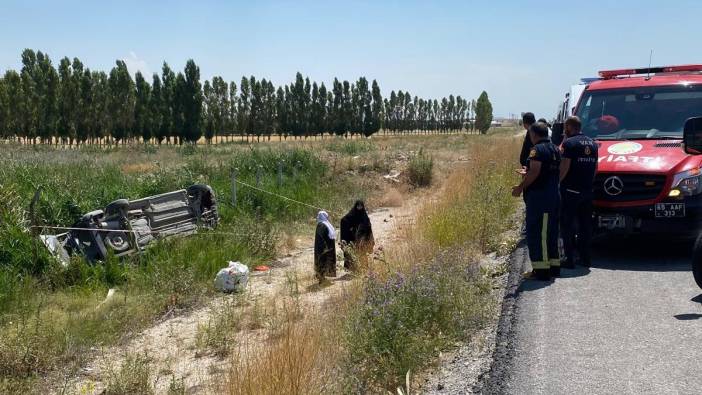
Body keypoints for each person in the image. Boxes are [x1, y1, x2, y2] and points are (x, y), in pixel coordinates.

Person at [512, 122, 561, 280]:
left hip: (540, 198)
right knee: (551, 232)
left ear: (534, 135)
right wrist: (529, 170)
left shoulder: (536, 150)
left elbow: (535, 172)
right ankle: (553, 267)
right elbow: (546, 170)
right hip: (553, 196)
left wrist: (520, 187)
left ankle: (541, 271)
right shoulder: (555, 148)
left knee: (538, 234)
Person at [559, 116, 598, 268]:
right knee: (585, 226)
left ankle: (569, 259)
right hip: (587, 191)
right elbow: (596, 168)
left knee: (567, 225)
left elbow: (565, 167)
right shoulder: (593, 144)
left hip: (570, 191)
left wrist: (557, 182)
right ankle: (585, 258)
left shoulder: (569, 144)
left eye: (565, 127)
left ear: (569, 127)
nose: (564, 130)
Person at [340, 200, 375, 271]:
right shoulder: (351, 215)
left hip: (362, 239)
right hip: (353, 239)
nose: (359, 207)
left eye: (361, 206)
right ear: (356, 206)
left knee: (362, 254)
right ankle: (354, 269)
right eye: (358, 206)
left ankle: (364, 269)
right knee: (353, 253)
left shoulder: (365, 217)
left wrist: (369, 239)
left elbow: (369, 228)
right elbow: (344, 220)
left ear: (363, 206)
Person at [314, 210, 337, 283]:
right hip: (324, 248)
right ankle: (321, 278)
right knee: (323, 261)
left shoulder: (324, 224)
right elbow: (320, 238)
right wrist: (324, 248)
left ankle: (323, 277)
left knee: (325, 261)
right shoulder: (323, 225)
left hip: (326, 248)